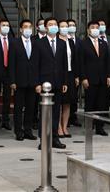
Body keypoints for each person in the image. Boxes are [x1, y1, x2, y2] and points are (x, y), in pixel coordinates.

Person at [33, 17, 68, 149]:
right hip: (44, 83)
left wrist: (65, 81)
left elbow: (64, 64)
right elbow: (35, 65)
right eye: (50, 24)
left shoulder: (62, 43)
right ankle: (44, 140)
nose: (53, 26)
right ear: (46, 28)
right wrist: (37, 83)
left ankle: (55, 138)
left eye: (55, 24)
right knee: (44, 112)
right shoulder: (39, 43)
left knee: (56, 112)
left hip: (58, 82)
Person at [78, 20, 110, 136]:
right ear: (88, 30)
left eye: (97, 27)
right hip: (90, 79)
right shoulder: (83, 44)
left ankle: (100, 127)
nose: (95, 29)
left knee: (101, 104)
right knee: (90, 104)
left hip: (102, 78)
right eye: (93, 27)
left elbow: (107, 62)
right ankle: (89, 127)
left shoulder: (104, 43)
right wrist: (83, 78)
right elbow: (81, 63)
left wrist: (109, 76)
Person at [10, 19, 38, 141]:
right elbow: (11, 63)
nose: (28, 29)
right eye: (25, 27)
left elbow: (38, 64)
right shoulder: (15, 43)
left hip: (32, 81)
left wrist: (38, 82)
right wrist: (12, 81)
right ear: (21, 29)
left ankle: (28, 130)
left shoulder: (36, 42)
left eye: (30, 27)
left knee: (31, 107)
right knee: (18, 108)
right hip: (19, 81)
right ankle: (18, 131)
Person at [57, 19, 78, 138]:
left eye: (66, 26)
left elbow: (74, 60)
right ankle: (58, 127)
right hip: (59, 74)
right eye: (63, 26)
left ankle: (65, 127)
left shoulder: (70, 42)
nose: (65, 28)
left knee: (67, 102)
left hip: (70, 74)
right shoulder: (56, 41)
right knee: (59, 102)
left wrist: (76, 76)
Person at [66, 18, 81, 126]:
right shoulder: (63, 40)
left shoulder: (79, 41)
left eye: (73, 25)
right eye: (69, 25)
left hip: (76, 73)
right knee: (66, 97)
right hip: (66, 73)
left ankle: (73, 116)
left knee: (74, 96)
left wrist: (78, 75)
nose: (72, 27)